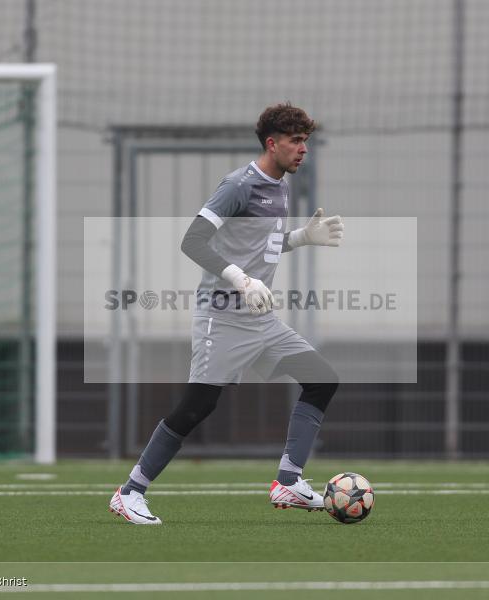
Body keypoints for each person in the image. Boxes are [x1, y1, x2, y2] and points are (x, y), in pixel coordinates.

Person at [109, 103, 344, 524]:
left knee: (322, 380)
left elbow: (260, 246)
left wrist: (301, 238)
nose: (303, 149)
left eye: (305, 141)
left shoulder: (282, 187)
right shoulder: (238, 185)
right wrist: (241, 279)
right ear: (272, 144)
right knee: (196, 408)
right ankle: (130, 493)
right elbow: (193, 241)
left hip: (261, 319)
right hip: (223, 318)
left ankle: (288, 482)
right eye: (296, 141)